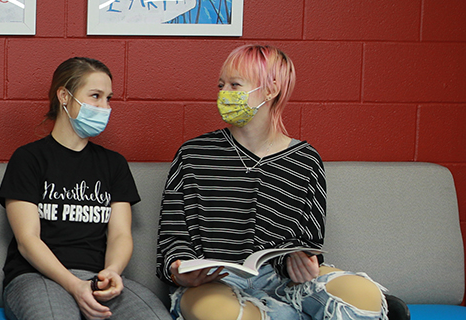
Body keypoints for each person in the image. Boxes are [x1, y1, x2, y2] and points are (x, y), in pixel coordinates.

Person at [159, 45, 388, 320]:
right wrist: (179, 269)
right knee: (229, 315)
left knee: (364, 294)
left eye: (235, 85)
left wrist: (302, 261)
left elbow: (308, 240)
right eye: (221, 85)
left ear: (270, 90)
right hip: (213, 283)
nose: (223, 93)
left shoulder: (306, 159)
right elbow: (173, 236)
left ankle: (286, 310)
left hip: (282, 282)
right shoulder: (193, 154)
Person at [0, 57, 169, 320]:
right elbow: (27, 240)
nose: (104, 107)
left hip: (98, 277)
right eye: (95, 96)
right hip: (36, 276)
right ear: (64, 96)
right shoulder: (29, 159)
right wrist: (74, 286)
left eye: (108, 98)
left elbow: (121, 235)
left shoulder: (114, 164)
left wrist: (112, 271)